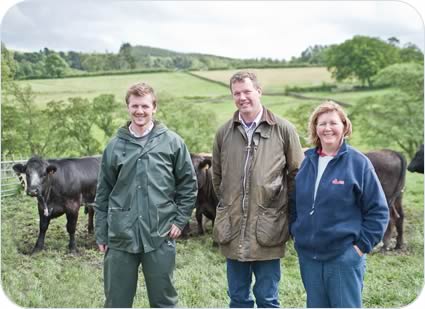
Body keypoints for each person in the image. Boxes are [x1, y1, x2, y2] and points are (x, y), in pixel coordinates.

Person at [94, 82, 197, 308]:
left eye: (145, 106)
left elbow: (188, 186)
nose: (139, 111)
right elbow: (102, 194)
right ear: (128, 107)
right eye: (135, 106)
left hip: (160, 234)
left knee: (164, 302)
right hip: (121, 236)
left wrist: (180, 220)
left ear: (154, 108)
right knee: (116, 302)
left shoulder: (172, 143)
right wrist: (101, 232)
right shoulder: (114, 146)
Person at [212, 71, 304, 308]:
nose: (242, 97)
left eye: (247, 91)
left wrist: (289, 216)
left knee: (267, 298)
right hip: (233, 228)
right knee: (238, 298)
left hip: (268, 229)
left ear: (259, 92)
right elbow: (217, 177)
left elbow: (297, 176)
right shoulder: (224, 133)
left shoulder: (284, 129)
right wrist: (229, 206)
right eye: (236, 93)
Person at [290, 100, 389, 308]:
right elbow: (294, 203)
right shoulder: (306, 161)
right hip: (309, 258)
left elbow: (378, 211)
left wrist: (360, 248)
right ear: (315, 129)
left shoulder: (358, 163)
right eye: (322, 123)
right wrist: (297, 232)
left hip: (343, 257)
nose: (327, 128)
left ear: (344, 126)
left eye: (333, 123)